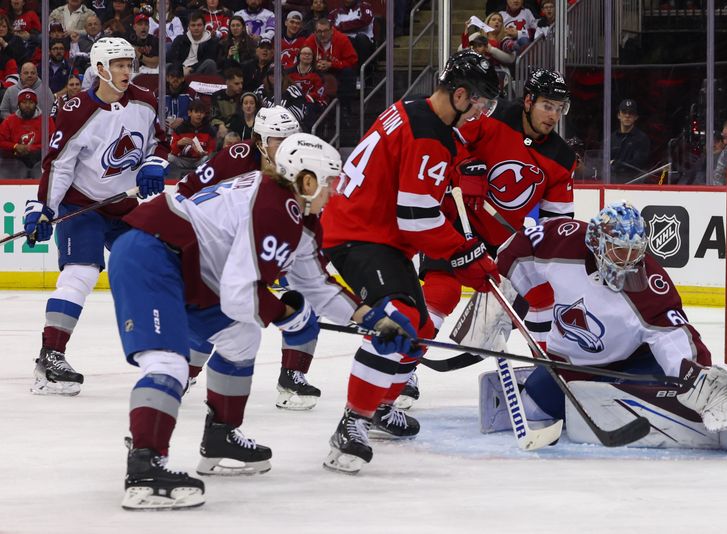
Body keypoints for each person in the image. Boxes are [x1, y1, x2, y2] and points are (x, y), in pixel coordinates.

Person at [110, 132, 417, 508]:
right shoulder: (276, 206)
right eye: (330, 182)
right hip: (154, 253)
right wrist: (290, 316)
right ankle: (145, 469)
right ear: (307, 180)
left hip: (193, 269)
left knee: (241, 337)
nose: (334, 193)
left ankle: (221, 437)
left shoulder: (293, 212)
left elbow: (316, 286)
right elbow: (243, 295)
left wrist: (373, 320)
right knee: (168, 362)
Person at [319, 49, 502, 474]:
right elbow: (417, 217)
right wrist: (464, 254)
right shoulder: (430, 136)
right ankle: (352, 422)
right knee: (400, 317)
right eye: (478, 103)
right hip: (357, 236)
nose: (480, 112)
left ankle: (380, 403)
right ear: (459, 95)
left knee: (418, 328)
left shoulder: (416, 110)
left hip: (377, 236)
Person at [476, 201, 727, 452]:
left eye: (635, 252)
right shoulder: (563, 240)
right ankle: (541, 384)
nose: (629, 262)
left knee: (668, 399)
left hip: (634, 364)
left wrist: (696, 376)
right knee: (534, 409)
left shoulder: (650, 286)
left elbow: (673, 336)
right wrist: (497, 296)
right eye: (619, 252)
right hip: (565, 364)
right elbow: (517, 249)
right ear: (597, 243)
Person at [412, 67, 575, 408]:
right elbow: (447, 142)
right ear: (528, 100)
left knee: (543, 294)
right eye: (547, 105)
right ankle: (403, 370)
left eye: (560, 108)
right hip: (458, 222)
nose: (553, 115)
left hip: (506, 241)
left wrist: (539, 254)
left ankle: (545, 375)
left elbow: (556, 223)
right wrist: (464, 169)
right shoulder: (492, 114)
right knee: (443, 289)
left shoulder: (561, 157)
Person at [23, 37, 169, 396]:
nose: (126, 71)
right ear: (100, 69)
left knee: (151, 271)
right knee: (80, 274)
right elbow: (58, 165)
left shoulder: (145, 101)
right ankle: (50, 358)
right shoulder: (76, 111)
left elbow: (160, 142)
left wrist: (153, 163)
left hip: (125, 207)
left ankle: (165, 358)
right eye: (118, 65)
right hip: (81, 204)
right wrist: (44, 208)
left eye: (129, 64)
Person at [177, 106, 342, 410]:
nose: (287, 144)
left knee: (306, 301)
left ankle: (293, 376)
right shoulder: (238, 156)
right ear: (260, 141)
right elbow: (187, 190)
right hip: (227, 252)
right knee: (216, 313)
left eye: (292, 137)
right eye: (278, 139)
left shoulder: (304, 164)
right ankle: (184, 373)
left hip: (275, 248)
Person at [0, 88, 54, 178]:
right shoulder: (9, 121)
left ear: (36, 104)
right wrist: (15, 146)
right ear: (18, 104)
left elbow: (53, 142)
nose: (27, 105)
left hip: (40, 160)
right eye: (24, 102)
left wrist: (31, 148)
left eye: (31, 102)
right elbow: (1, 141)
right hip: (14, 161)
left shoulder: (46, 120)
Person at [168, 98, 215, 176]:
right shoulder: (180, 129)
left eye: (202, 112)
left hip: (200, 161)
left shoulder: (209, 130)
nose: (199, 115)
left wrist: (205, 153)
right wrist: (179, 143)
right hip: (182, 160)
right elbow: (172, 151)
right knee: (169, 158)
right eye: (196, 112)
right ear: (189, 113)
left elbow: (212, 150)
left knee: (209, 159)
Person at [167, 10, 219, 76]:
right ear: (188, 27)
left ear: (204, 26)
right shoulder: (180, 39)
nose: (196, 28)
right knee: (167, 66)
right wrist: (181, 70)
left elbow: (207, 59)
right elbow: (173, 58)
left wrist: (190, 69)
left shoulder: (211, 41)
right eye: (193, 25)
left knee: (210, 63)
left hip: (198, 71)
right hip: (179, 72)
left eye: (199, 25)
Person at [610, 99, 650, 183]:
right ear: (618, 115)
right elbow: (602, 161)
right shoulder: (611, 139)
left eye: (631, 113)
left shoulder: (642, 139)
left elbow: (638, 163)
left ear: (636, 117)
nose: (627, 115)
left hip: (634, 184)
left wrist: (616, 164)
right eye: (624, 112)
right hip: (611, 183)